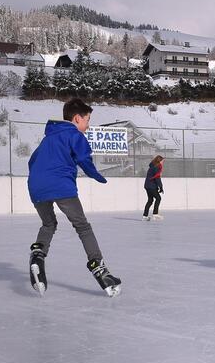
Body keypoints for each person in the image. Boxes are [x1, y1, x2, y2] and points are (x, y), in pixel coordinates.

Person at [26, 98, 122, 297]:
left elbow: (32, 161)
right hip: (61, 185)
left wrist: (39, 180)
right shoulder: (74, 135)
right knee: (82, 226)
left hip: (36, 186)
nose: (87, 126)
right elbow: (83, 159)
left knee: (48, 224)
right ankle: (100, 269)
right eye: (87, 121)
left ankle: (38, 256)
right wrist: (97, 175)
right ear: (77, 119)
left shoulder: (48, 138)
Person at [143, 155, 165, 221]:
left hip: (147, 185)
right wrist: (161, 187)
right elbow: (157, 177)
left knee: (150, 200)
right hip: (151, 186)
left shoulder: (152, 166)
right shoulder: (157, 167)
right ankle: (155, 214)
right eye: (162, 161)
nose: (163, 162)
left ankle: (145, 216)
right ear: (159, 161)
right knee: (158, 198)